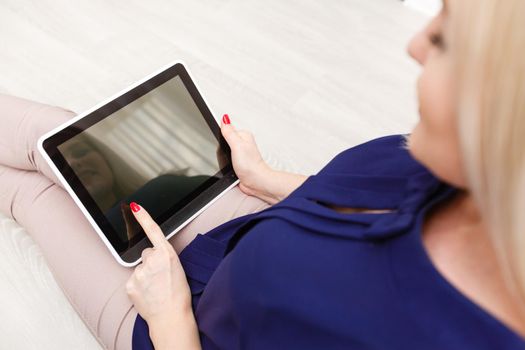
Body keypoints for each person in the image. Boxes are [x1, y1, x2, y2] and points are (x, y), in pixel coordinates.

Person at [1, 0, 524, 348]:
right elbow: (367, 217)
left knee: (33, 195)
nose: (415, 45)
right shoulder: (463, 173)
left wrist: (169, 316)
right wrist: (269, 179)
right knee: (57, 142)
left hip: (180, 326)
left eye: (446, 39)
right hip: (248, 227)